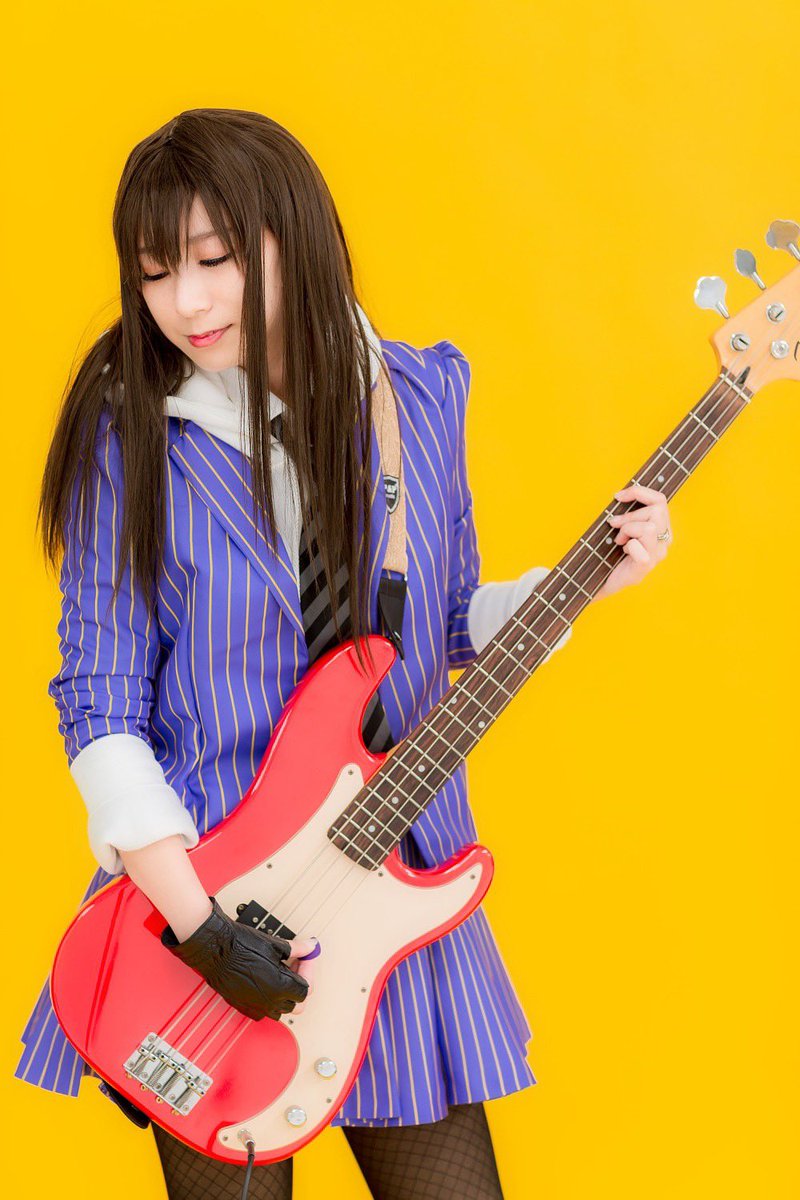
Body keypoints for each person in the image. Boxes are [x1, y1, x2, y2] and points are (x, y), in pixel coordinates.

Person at [15, 109, 673, 1199]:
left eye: (216, 259)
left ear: (296, 235)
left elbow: (440, 623)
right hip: (205, 902)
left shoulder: (419, 396)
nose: (187, 304)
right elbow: (100, 698)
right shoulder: (131, 437)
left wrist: (580, 584)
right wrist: (200, 927)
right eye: (157, 273)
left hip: (388, 877)